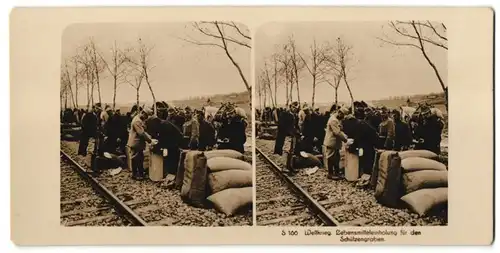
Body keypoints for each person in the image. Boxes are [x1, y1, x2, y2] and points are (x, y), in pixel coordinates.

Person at [126, 108, 157, 180]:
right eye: (146, 116)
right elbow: (141, 133)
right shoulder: (137, 121)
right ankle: (135, 174)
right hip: (136, 142)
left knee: (139, 158)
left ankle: (140, 173)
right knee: (136, 159)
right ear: (143, 113)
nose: (146, 118)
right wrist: (150, 140)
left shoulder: (138, 119)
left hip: (137, 142)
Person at [323, 106, 349, 180]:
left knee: (336, 158)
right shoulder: (333, 120)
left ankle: (337, 173)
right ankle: (330, 174)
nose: (343, 117)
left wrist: (344, 135)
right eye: (343, 115)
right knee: (331, 158)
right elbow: (337, 132)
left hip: (334, 143)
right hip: (331, 142)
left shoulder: (336, 118)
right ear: (340, 113)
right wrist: (346, 139)